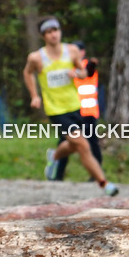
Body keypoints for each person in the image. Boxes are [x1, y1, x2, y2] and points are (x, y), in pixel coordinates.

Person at [23, 17, 118, 195]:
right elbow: (27, 73)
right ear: (44, 36)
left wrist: (77, 73)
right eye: (49, 32)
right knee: (82, 145)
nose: (54, 34)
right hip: (55, 110)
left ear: (60, 31)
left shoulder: (72, 51)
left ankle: (54, 156)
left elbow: (83, 73)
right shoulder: (36, 57)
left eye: (56, 30)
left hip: (75, 105)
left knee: (72, 144)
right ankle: (104, 184)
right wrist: (34, 95)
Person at [53, 40, 103, 180]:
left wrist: (93, 64)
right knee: (66, 142)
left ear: (83, 52)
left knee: (92, 144)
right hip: (72, 112)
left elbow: (89, 72)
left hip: (89, 113)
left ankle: (96, 175)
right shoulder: (67, 67)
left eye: (78, 50)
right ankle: (57, 175)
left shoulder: (86, 66)